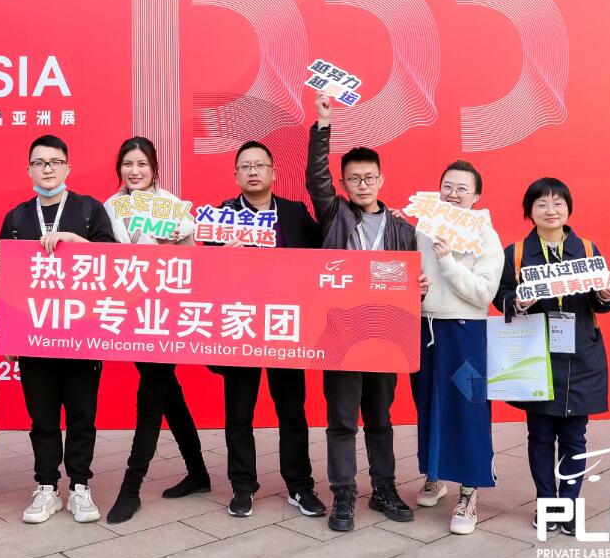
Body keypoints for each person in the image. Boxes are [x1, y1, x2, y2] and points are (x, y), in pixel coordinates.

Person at [306, 94, 428, 532]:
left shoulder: (403, 230)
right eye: (354, 178)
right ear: (343, 183)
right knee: (342, 419)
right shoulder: (334, 215)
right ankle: (343, 493)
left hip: (385, 334)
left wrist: (419, 288)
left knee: (380, 417)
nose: (362, 184)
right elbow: (316, 178)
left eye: (369, 177)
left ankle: (383, 488)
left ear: (381, 179)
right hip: (341, 332)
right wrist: (324, 124)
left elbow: (413, 284)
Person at [493, 178, 610, 536]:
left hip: (582, 355)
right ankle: (547, 503)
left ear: (568, 208)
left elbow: (600, 300)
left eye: (558, 203)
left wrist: (607, 296)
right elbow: (500, 295)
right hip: (536, 356)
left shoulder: (587, 249)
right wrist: (517, 301)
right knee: (539, 435)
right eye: (542, 204)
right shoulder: (516, 253)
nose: (551, 210)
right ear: (529, 211)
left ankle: (569, 505)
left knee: (575, 437)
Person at [0, 134, 116, 525]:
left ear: (67, 167)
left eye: (54, 162)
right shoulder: (17, 218)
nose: (47, 169)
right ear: (29, 169)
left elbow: (113, 263)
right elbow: (6, 277)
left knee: (82, 415)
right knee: (42, 418)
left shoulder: (89, 210)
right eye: (39, 163)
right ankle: (47, 487)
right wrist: (9, 332)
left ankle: (80, 486)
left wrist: (75, 240)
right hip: (35, 336)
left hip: (82, 334)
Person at [208, 140, 326, 519]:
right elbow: (201, 272)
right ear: (236, 176)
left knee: (292, 411)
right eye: (246, 166)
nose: (253, 171)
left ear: (274, 172)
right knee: (239, 413)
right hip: (240, 325)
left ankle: (299, 486)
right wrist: (219, 257)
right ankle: (242, 487)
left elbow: (325, 253)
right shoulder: (221, 216)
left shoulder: (294, 212)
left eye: (260, 165)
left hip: (283, 326)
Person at [103, 136, 210, 524]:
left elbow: (194, 259)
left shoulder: (174, 207)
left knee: (151, 396)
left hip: (166, 314)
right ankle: (198, 473)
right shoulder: (109, 207)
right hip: (131, 312)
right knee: (169, 394)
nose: (134, 171)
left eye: (142, 164)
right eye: (127, 164)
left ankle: (130, 489)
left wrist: (173, 243)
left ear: (154, 169)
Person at [407, 161, 503, 535]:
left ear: (477, 196)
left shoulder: (486, 235)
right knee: (427, 404)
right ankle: (434, 476)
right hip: (426, 328)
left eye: (463, 188)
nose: (453, 194)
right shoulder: (422, 227)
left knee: (469, 408)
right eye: (447, 186)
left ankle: (469, 491)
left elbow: (484, 292)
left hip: (466, 333)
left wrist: (447, 261)